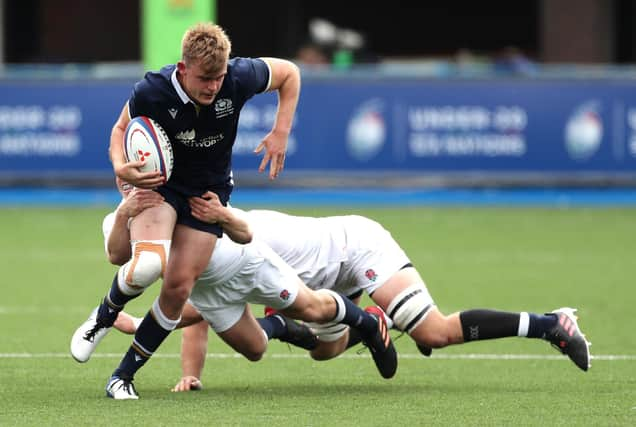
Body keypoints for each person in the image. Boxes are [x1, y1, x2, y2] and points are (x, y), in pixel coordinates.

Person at [113, 196, 591, 391]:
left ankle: (552, 324)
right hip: (318, 285)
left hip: (355, 247)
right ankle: (372, 322)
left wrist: (141, 324)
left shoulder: (225, 238)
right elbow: (204, 305)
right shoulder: (200, 246)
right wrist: (190, 376)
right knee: (325, 351)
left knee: (434, 331)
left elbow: (191, 307)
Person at [70, 22, 302, 399]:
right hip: (160, 185)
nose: (213, 86)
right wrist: (119, 165)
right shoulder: (153, 90)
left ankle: (121, 377)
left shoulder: (239, 76)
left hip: (206, 193)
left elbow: (290, 73)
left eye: (219, 77)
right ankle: (104, 317)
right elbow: (119, 130)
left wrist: (281, 131)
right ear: (183, 69)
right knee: (146, 265)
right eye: (205, 78)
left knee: (177, 289)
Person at [72, 178, 397, 399]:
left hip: (248, 265)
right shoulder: (116, 218)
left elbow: (242, 234)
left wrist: (222, 215)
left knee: (313, 309)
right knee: (255, 349)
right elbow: (118, 256)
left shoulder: (184, 196)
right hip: (208, 293)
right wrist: (191, 374)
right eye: (128, 178)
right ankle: (281, 326)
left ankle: (367, 321)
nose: (135, 185)